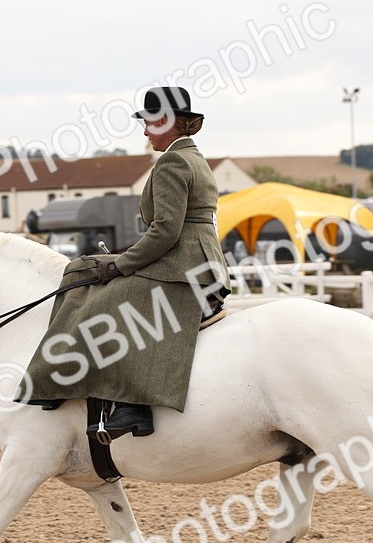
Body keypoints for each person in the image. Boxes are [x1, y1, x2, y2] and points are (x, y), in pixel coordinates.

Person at [18, 86, 229, 441]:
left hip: (181, 267)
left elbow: (164, 231)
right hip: (198, 261)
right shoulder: (195, 157)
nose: (145, 132)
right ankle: (58, 376)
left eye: (147, 123)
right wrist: (120, 257)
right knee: (80, 269)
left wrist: (119, 266)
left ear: (164, 120)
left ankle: (132, 406)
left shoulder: (173, 162)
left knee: (104, 300)